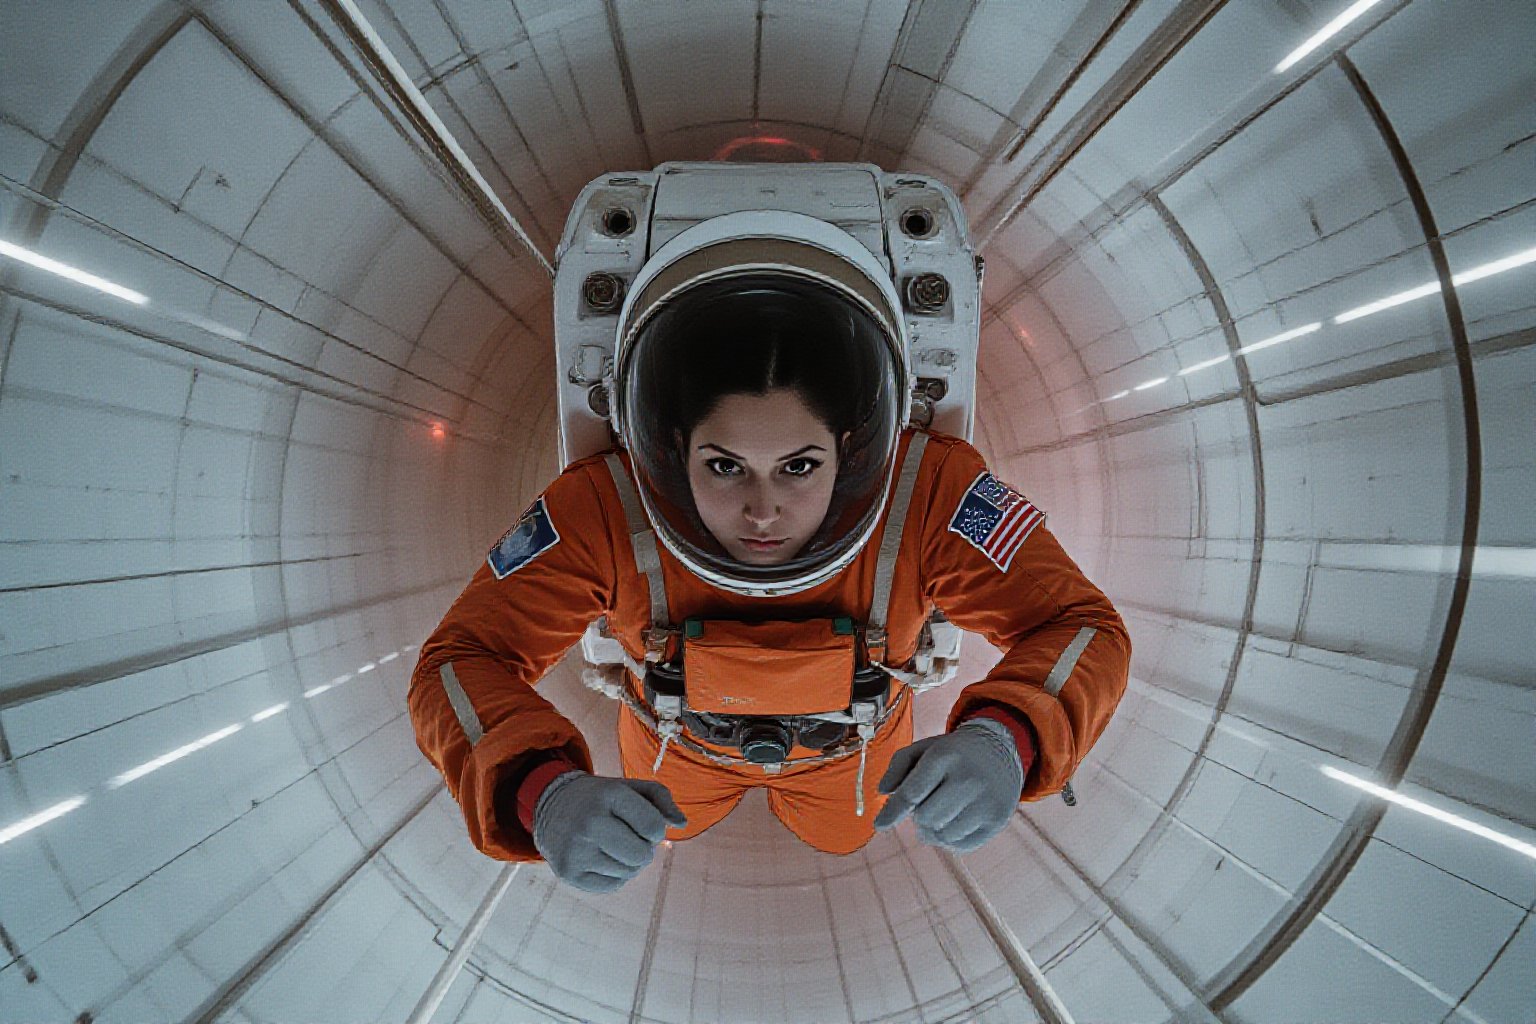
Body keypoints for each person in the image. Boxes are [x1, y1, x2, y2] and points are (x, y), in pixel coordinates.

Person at [409, 253, 1130, 895]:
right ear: (671, 449)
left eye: (799, 467)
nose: (762, 511)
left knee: (843, 834)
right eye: (724, 466)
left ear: (849, 449)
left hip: (851, 757)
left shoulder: (929, 493)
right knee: (672, 827)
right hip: (676, 749)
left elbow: (1079, 626)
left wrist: (1007, 736)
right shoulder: (602, 507)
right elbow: (463, 658)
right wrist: (545, 792)